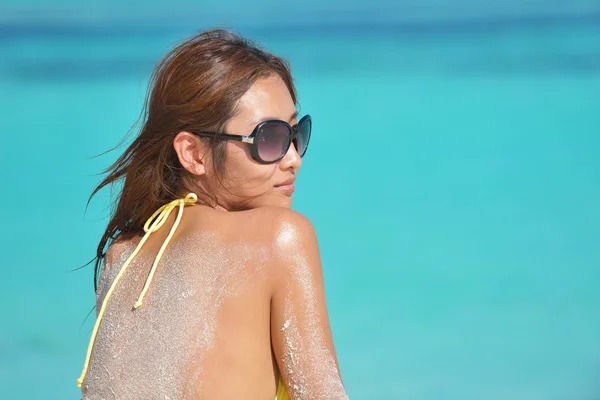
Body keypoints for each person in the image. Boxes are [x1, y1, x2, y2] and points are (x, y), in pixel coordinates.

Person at [76, 29, 349, 400]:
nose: (294, 159)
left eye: (295, 133)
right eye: (269, 138)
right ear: (193, 154)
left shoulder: (122, 257)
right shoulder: (279, 238)